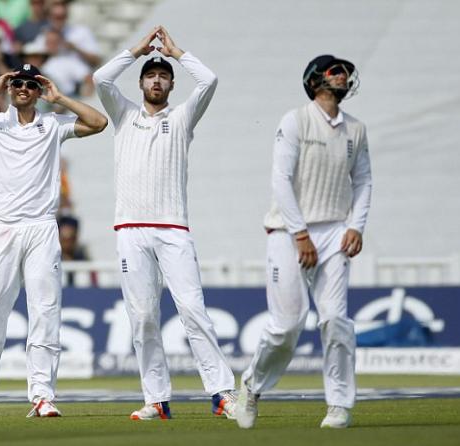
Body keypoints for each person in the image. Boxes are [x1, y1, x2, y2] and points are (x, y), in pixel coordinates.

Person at [0, 63, 107, 418]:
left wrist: (60, 98)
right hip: (1, 228)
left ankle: (43, 397)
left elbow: (98, 122)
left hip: (42, 227)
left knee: (45, 312)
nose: (23, 89)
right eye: (18, 83)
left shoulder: (52, 124)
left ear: (38, 89)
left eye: (31, 84)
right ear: (11, 87)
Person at [93, 26, 236, 421]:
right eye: (151, 75)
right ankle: (157, 399)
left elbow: (209, 79)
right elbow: (100, 78)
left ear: (171, 83)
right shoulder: (123, 113)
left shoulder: (184, 116)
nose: (157, 80)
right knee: (142, 317)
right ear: (141, 82)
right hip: (130, 230)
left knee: (192, 309)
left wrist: (177, 53)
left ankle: (222, 393)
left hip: (173, 229)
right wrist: (136, 50)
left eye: (163, 75)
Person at [234, 55, 372, 430]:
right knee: (287, 325)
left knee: (335, 320)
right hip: (287, 231)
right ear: (315, 81)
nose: (343, 76)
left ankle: (339, 404)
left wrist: (356, 225)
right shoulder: (294, 120)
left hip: (334, 233)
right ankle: (251, 386)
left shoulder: (355, 130)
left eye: (345, 72)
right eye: (335, 71)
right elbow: (281, 179)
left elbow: (362, 181)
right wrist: (299, 234)